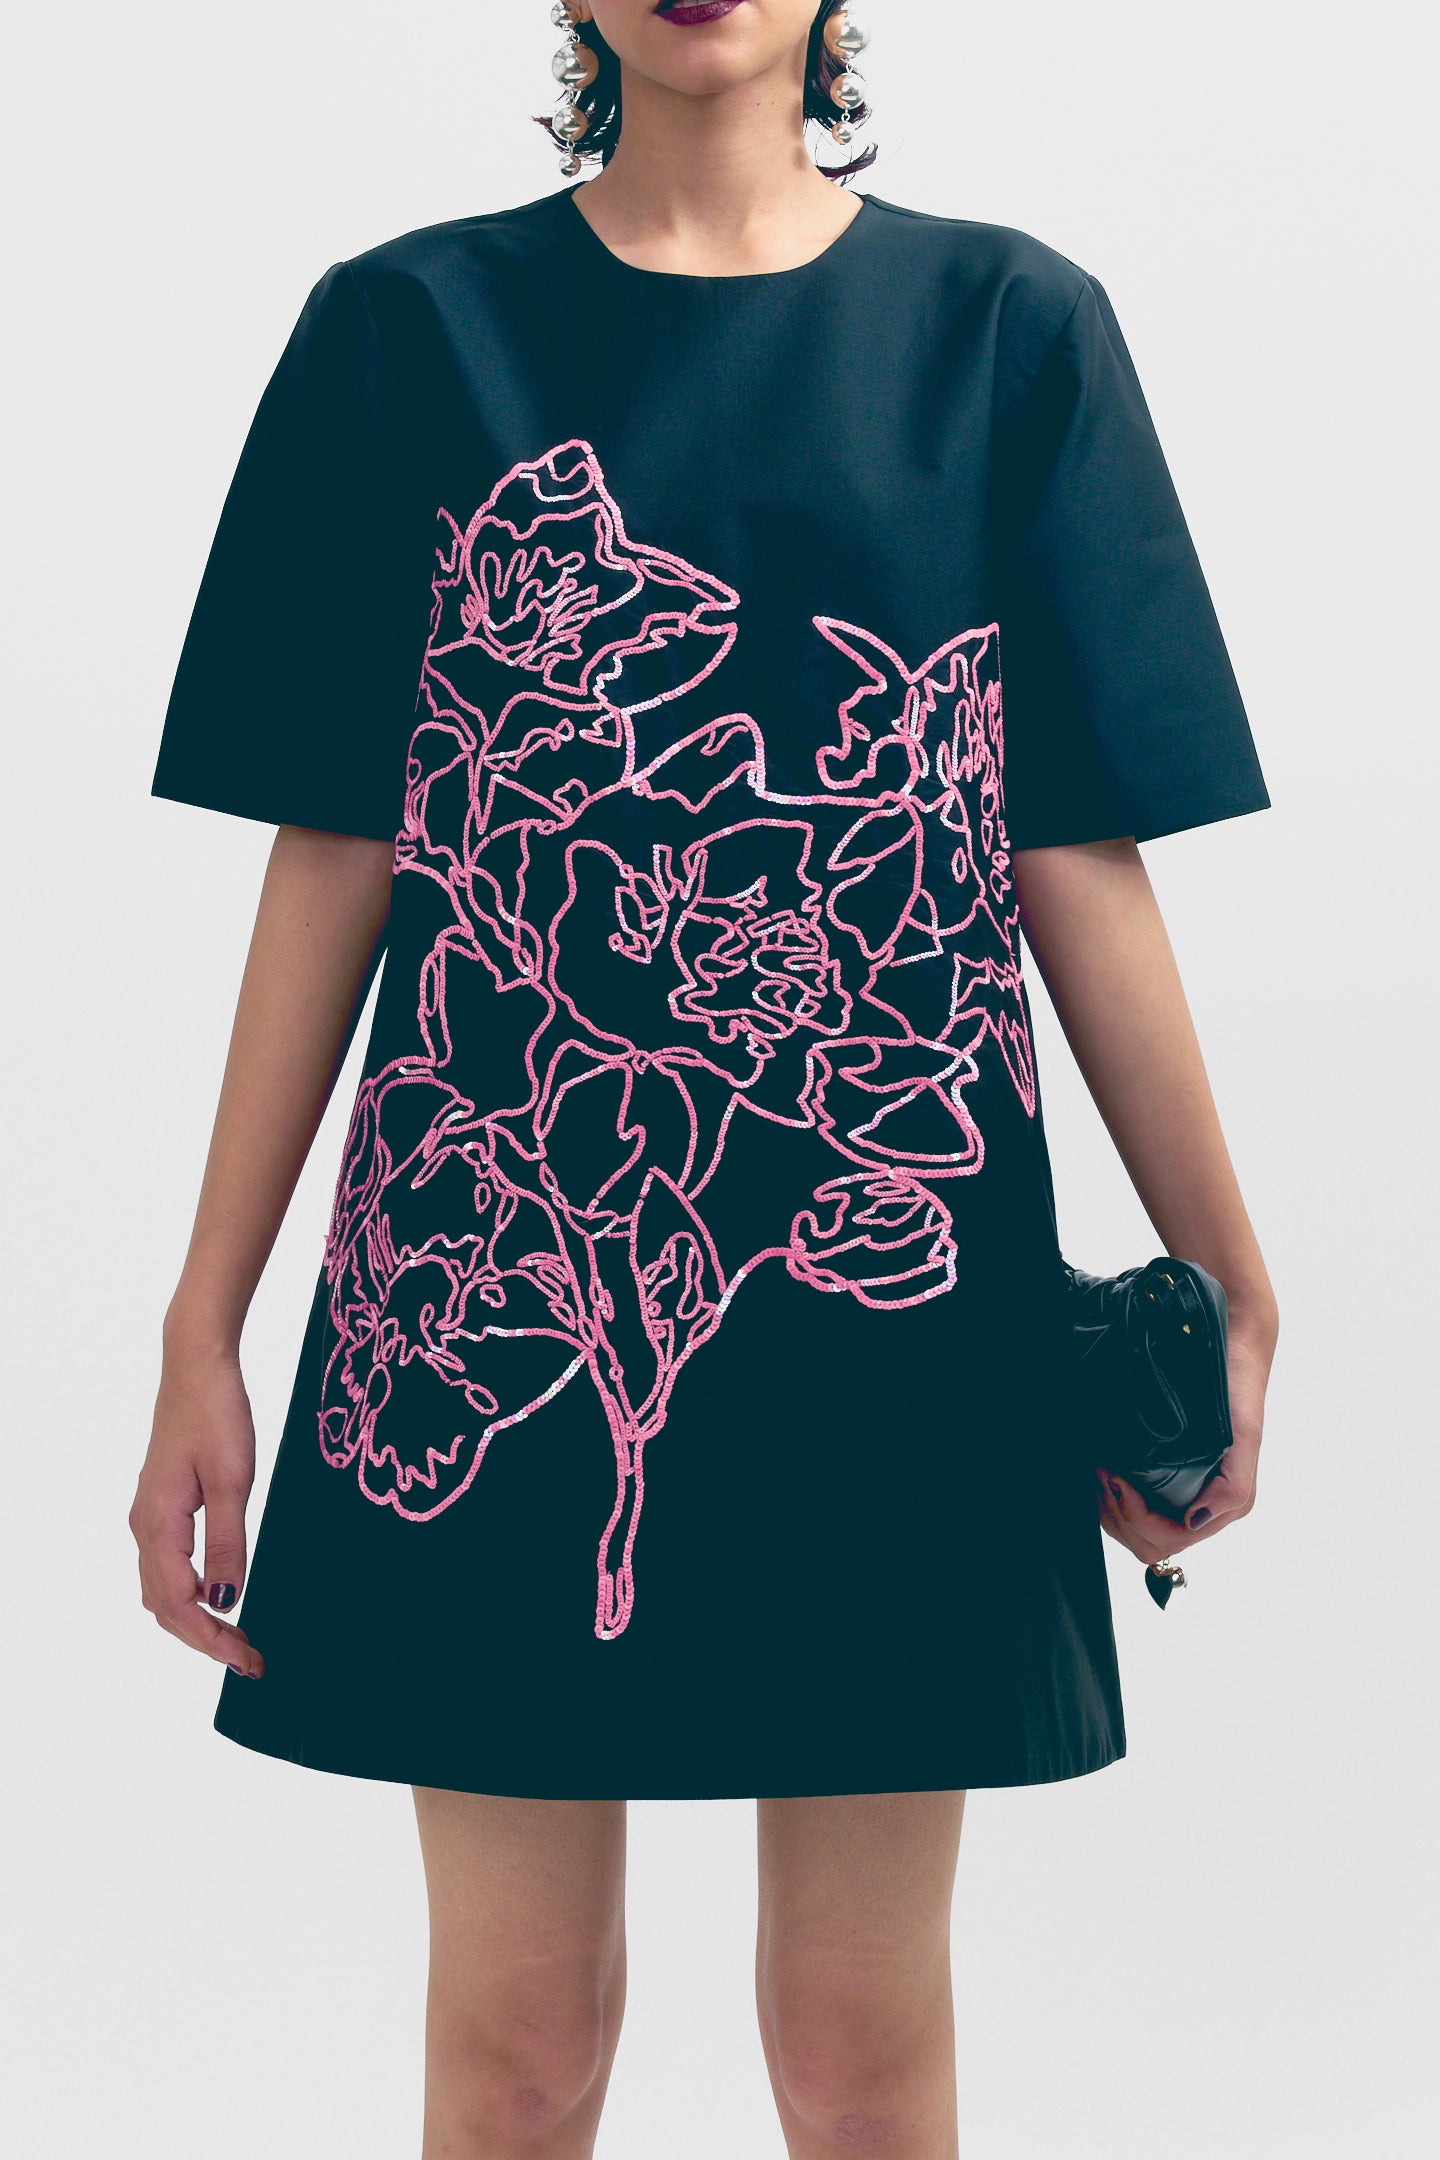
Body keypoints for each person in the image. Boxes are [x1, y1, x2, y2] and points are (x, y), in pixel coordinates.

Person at [129, 4, 1280, 2154]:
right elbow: (338, 853)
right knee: (517, 2045)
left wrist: (1229, 1269)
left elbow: (1071, 854)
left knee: (859, 2051)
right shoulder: (406, 332)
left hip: (883, 1292)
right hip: (505, 1254)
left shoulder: (1010, 331)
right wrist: (207, 1320)